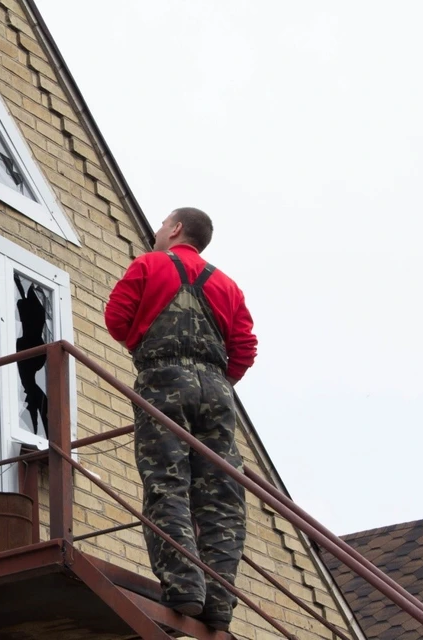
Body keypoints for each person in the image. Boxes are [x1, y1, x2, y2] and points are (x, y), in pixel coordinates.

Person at [105, 207, 257, 630]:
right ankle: (220, 601)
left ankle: (185, 586)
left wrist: (151, 346)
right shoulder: (227, 285)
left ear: (174, 229)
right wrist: (218, 380)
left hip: (163, 378)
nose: (156, 232)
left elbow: (116, 320)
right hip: (217, 390)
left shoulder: (149, 264)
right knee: (222, 497)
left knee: (167, 481)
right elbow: (245, 346)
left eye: (161, 224)